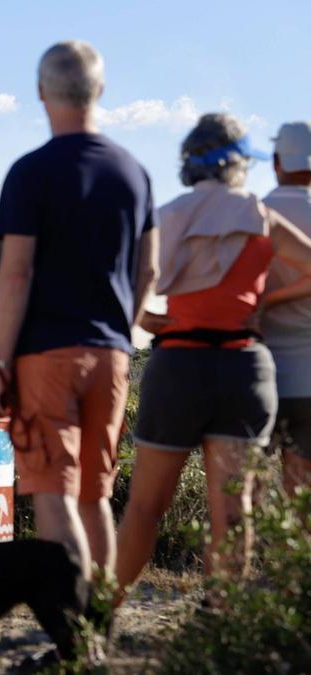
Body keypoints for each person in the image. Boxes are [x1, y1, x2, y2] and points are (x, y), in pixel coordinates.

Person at [0, 40, 157, 602]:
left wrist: (1, 365)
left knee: (52, 495)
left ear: (40, 93)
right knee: (94, 497)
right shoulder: (135, 173)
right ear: (99, 91)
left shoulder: (30, 173)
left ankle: (74, 635)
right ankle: (98, 625)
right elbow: (148, 269)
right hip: (110, 354)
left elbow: (14, 277)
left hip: (46, 355)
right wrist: (119, 334)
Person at [117, 115, 311, 598]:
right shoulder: (260, 215)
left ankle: (96, 619)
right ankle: (217, 620)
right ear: (241, 162)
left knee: (144, 507)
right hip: (244, 366)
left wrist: (152, 323)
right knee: (233, 511)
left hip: (179, 363)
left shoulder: (167, 214)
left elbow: (125, 286)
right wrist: (265, 304)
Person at [260, 121, 311, 493]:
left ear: (276, 162)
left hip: (259, 375)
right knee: (303, 504)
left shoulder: (255, 215)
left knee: (246, 499)